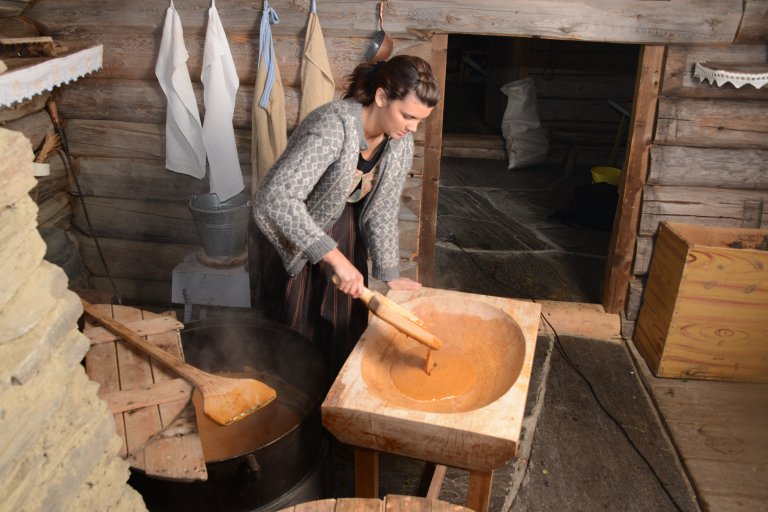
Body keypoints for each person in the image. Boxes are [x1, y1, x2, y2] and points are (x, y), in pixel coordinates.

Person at [251, 55, 440, 383]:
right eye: (408, 116)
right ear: (381, 97)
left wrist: (388, 274)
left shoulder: (399, 143)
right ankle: (289, 402)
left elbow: (380, 211)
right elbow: (276, 199)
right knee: (295, 332)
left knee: (342, 325)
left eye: (420, 121)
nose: (412, 128)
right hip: (289, 233)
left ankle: (332, 404)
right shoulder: (332, 125)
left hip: (342, 227)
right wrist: (334, 258)